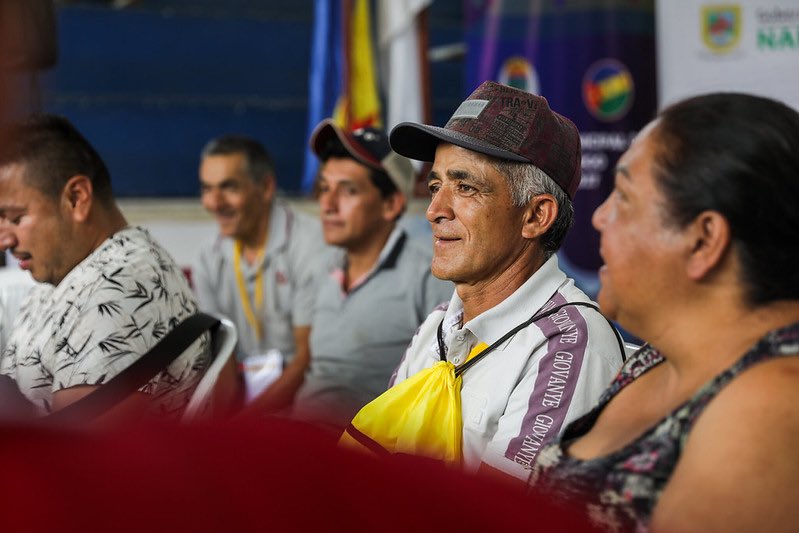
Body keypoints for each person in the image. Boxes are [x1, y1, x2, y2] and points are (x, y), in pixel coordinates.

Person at [527, 92, 799, 531]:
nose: (598, 216)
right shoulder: (658, 356)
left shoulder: (772, 408)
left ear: (703, 240)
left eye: (625, 197)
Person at [382, 81, 624, 480]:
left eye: (465, 187)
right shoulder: (441, 324)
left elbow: (504, 517)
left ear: (534, 217)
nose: (434, 210)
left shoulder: (566, 345)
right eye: (435, 185)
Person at [0, 113, 209, 421]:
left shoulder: (117, 290)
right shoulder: (82, 269)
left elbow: (74, 457)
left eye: (16, 218)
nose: (4, 239)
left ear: (76, 198)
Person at [290, 120, 452, 429]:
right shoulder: (318, 267)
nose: (327, 205)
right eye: (324, 188)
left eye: (348, 190)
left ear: (391, 204)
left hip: (366, 454)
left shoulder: (428, 277)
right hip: (300, 438)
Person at [193, 135, 325, 412]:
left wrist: (245, 425)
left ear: (265, 187)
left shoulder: (311, 244)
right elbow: (221, 359)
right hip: (247, 403)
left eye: (228, 188)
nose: (214, 203)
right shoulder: (207, 256)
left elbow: (308, 358)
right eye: (207, 189)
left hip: (304, 404)